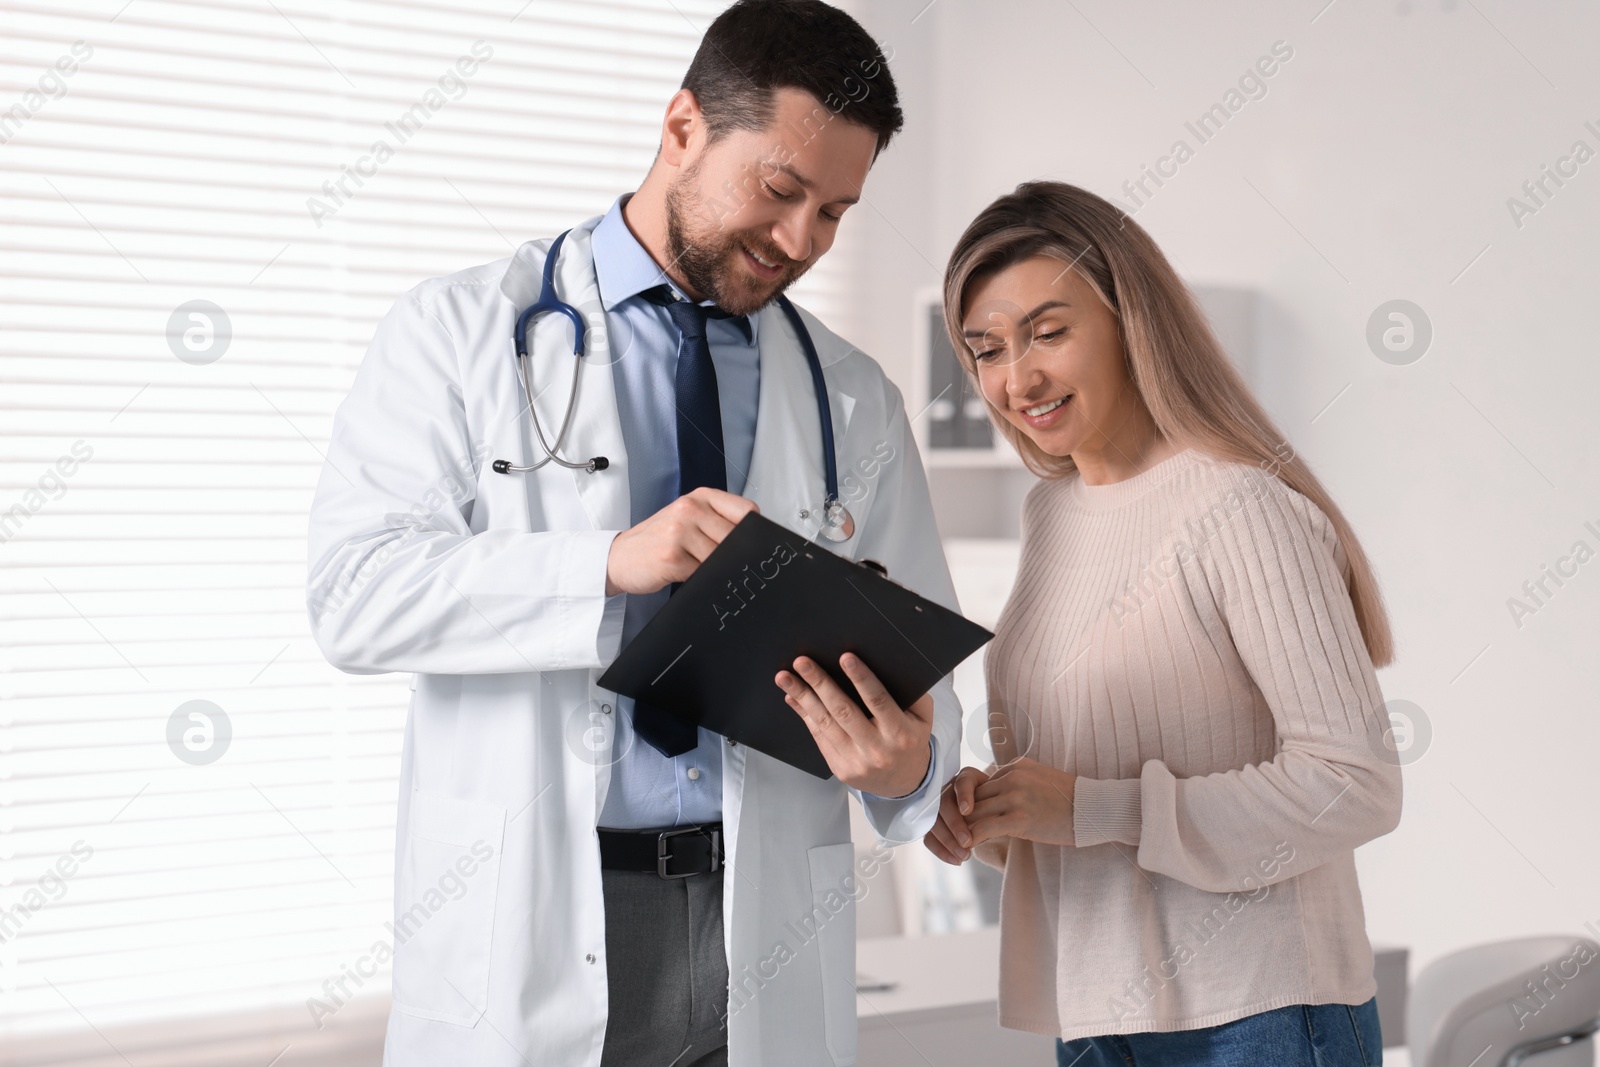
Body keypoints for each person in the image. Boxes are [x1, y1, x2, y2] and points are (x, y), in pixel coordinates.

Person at [306, 4, 962, 1065]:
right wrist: (607, 565)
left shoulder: (853, 399)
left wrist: (904, 768)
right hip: (535, 921)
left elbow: (931, 705)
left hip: (761, 922)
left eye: (835, 212)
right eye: (781, 190)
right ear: (682, 126)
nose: (799, 241)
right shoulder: (460, 332)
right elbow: (354, 595)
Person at [923, 181, 1403, 1067]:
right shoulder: (1052, 516)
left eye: (1048, 332)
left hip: (1258, 1014)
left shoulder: (1239, 506)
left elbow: (1356, 781)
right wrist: (1003, 816)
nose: (1015, 378)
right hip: (1097, 1016)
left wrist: (1092, 806)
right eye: (985, 349)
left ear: (1130, 316)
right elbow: (1083, 814)